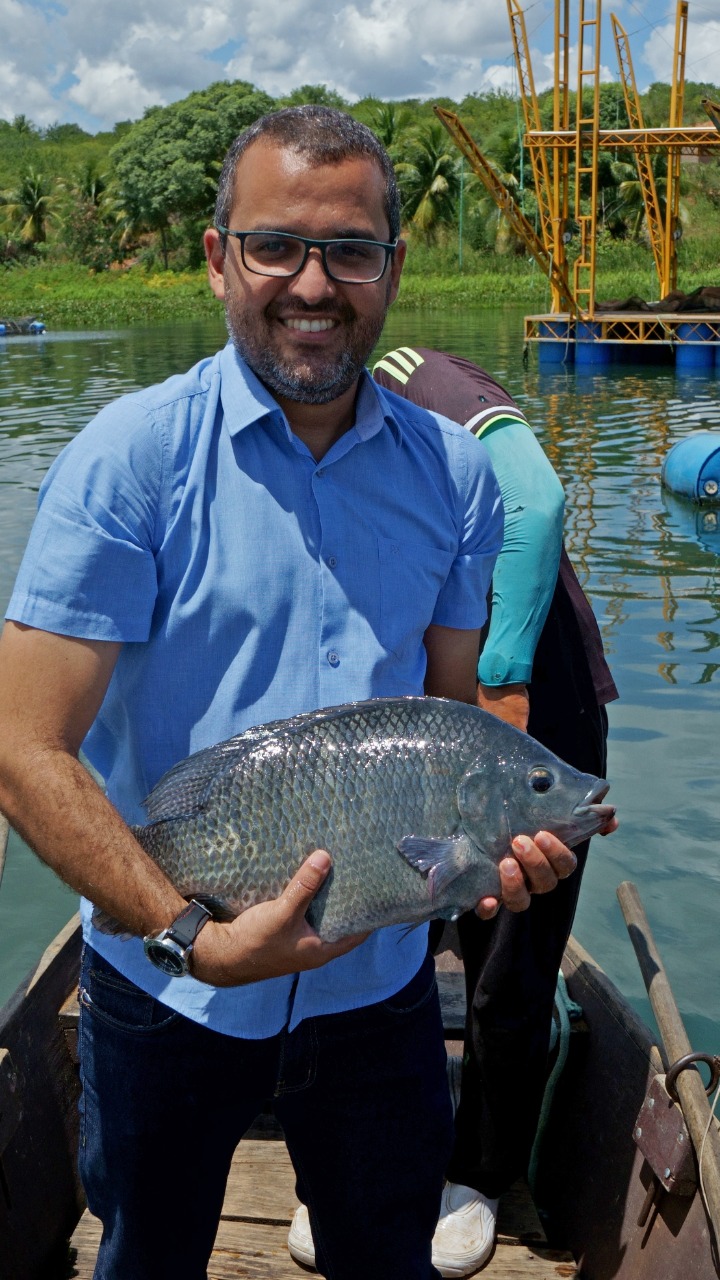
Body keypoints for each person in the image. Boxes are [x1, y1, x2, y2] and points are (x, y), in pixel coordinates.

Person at [0, 109, 587, 1280]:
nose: (313, 284)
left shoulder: (459, 472)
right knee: (148, 1257)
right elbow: (23, 745)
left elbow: (449, 711)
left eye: (351, 250)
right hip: (167, 990)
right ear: (219, 257)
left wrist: (497, 849)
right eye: (276, 246)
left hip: (378, 995)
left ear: (393, 270)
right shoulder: (130, 459)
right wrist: (184, 933)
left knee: (385, 1257)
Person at [375, 347, 619, 1275]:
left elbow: (538, 502)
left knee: (508, 966)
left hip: (528, 717)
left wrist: (503, 685)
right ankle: (368, 1159)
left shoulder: (416, 380)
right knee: (383, 929)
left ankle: (478, 1173)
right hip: (427, 719)